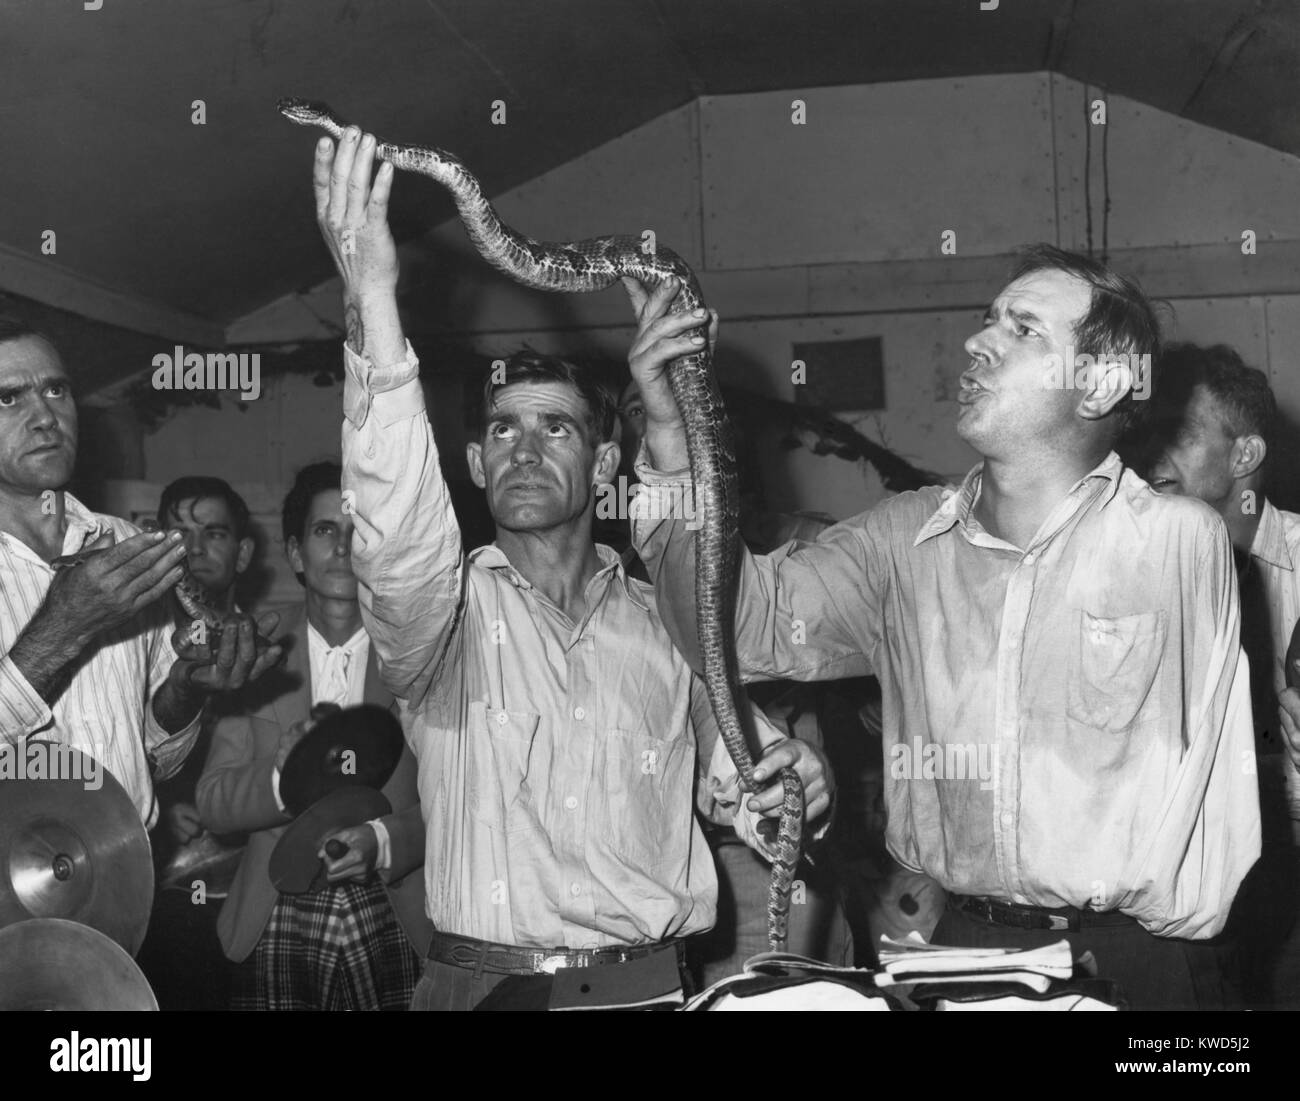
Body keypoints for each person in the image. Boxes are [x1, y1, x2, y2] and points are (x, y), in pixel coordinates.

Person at [625, 245, 1261, 1010]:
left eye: (1023, 329)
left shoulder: (1175, 543)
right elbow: (726, 628)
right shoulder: (902, 542)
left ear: (1099, 382)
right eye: (986, 319)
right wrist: (672, 435)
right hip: (963, 952)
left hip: (1139, 967)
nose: (977, 341)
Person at [312, 125, 833, 1011]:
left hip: (650, 992)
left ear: (602, 470)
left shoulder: (670, 620)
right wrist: (373, 297)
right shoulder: (443, 618)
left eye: (555, 427)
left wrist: (784, 786)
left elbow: (740, 776)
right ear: (473, 466)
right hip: (483, 990)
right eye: (502, 431)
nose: (522, 449)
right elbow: (396, 537)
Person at [0, 317, 280, 825]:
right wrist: (64, 626)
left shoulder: (130, 547)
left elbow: (152, 758)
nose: (45, 416)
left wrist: (185, 689)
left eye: (55, 389)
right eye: (9, 398)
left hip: (126, 877)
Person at [196, 461, 428, 1010]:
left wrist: (389, 840)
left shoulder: (423, 650)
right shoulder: (251, 648)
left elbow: (463, 801)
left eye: (358, 532)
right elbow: (212, 803)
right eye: (326, 530)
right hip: (277, 907)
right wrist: (282, 781)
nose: (343, 548)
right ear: (297, 554)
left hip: (395, 906)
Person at [1143, 343, 1300, 1007]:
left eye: (1181, 434)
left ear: (1245, 457)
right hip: (1180, 873)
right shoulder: (1130, 561)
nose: (1153, 459)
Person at [136, 475, 257, 1010]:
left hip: (257, 901)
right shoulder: (126, 650)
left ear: (244, 552)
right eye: (178, 533)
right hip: (159, 897)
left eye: (214, 533)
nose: (194, 549)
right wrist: (165, 806)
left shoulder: (274, 649)